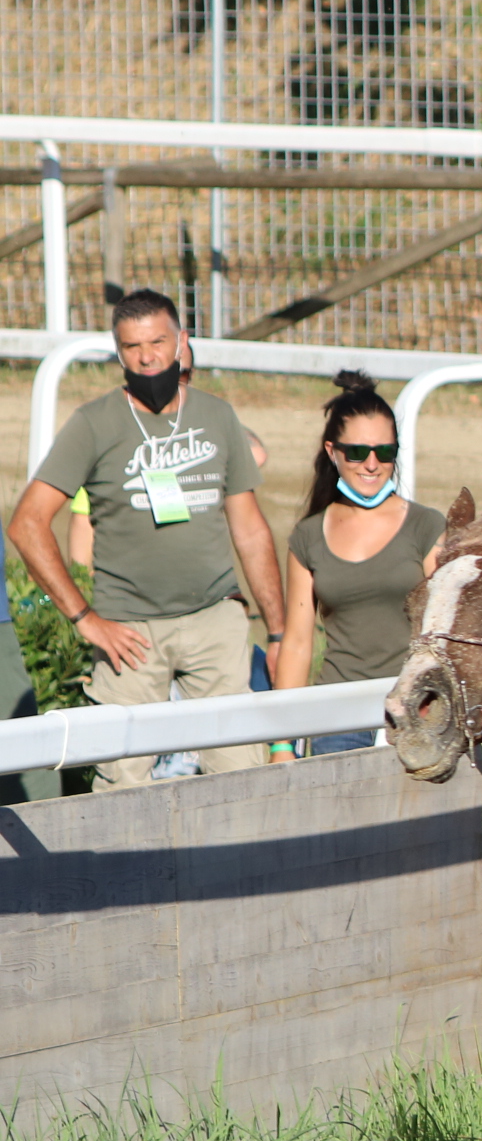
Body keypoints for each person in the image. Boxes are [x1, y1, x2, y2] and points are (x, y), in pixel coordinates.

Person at [4, 290, 285, 787]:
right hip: (128, 635)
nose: (148, 355)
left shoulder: (217, 416)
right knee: (122, 782)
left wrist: (278, 632)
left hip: (214, 620)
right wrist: (86, 619)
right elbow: (27, 522)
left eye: (158, 341)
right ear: (119, 353)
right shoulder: (94, 424)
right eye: (133, 346)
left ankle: (233, 866)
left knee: (242, 774)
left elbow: (251, 529)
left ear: (182, 341)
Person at [270, 372, 446, 759]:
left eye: (384, 453)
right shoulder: (307, 537)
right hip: (339, 716)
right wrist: (282, 742)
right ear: (333, 452)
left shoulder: (427, 526)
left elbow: (448, 628)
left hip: (418, 708)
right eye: (357, 453)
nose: (371, 464)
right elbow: (298, 643)